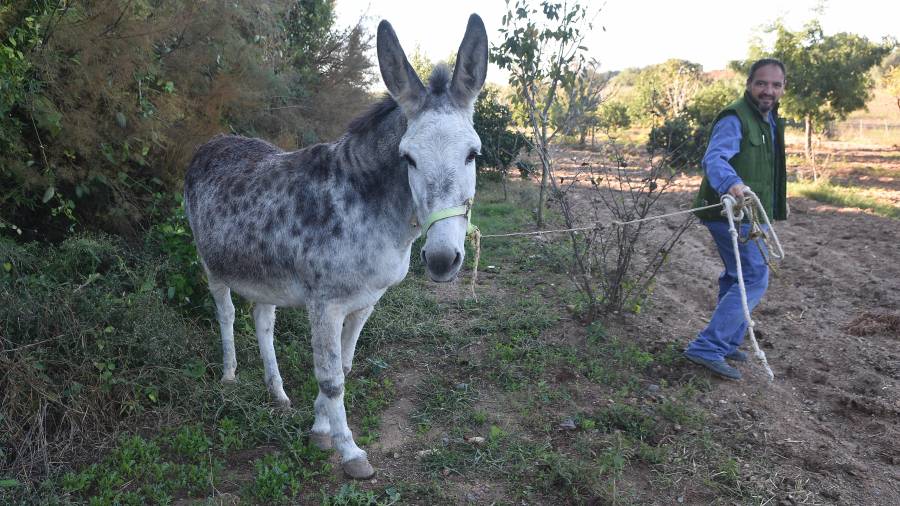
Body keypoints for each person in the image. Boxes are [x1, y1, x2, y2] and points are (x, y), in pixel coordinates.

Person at [683, 58, 789, 380]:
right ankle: (708, 346)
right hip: (729, 211)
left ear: (783, 88)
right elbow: (714, 158)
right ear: (749, 84)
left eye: (775, 85)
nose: (768, 90)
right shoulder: (735, 117)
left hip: (753, 213)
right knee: (755, 277)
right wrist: (732, 184)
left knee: (736, 276)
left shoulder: (769, 119)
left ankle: (726, 341)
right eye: (761, 83)